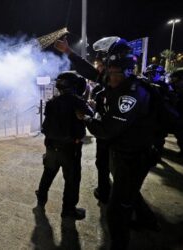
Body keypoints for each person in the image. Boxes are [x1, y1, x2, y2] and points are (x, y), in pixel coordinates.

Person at [73, 38, 160, 249]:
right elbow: (93, 74)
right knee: (128, 193)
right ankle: (148, 220)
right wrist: (69, 52)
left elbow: (105, 130)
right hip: (127, 153)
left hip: (133, 157)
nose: (107, 77)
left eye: (112, 72)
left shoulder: (130, 95)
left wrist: (86, 118)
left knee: (116, 212)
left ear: (125, 71)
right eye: (108, 71)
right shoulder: (120, 80)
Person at [54, 38, 111, 203]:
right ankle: (104, 190)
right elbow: (90, 72)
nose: (98, 70)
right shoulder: (106, 83)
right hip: (103, 137)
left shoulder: (132, 88)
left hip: (122, 143)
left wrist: (87, 117)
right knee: (103, 165)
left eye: (101, 66)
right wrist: (69, 52)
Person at [35, 72, 93, 220]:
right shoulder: (78, 102)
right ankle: (68, 210)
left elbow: (45, 127)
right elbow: (91, 115)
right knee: (72, 181)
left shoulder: (52, 102)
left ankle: (41, 198)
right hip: (70, 150)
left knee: (48, 173)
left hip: (51, 147)